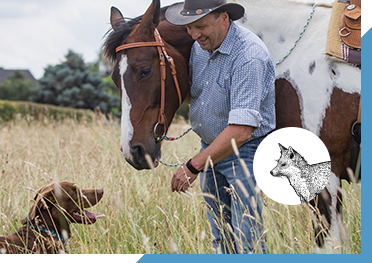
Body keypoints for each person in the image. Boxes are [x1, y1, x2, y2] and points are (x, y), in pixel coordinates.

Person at [165, 0, 275, 254]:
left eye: (200, 26)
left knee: (249, 241)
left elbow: (242, 131)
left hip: (245, 153)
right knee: (222, 240)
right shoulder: (200, 46)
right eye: (189, 28)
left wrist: (194, 166)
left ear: (224, 18)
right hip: (212, 149)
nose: (194, 35)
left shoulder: (249, 56)